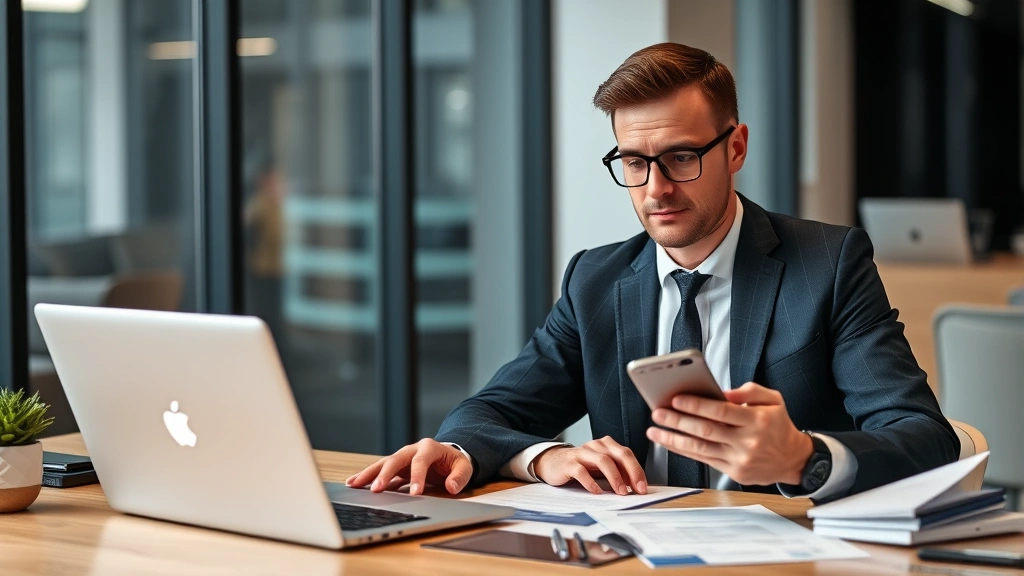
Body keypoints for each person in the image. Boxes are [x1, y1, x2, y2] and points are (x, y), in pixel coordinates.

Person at [347, 42, 959, 502]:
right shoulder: (596, 279)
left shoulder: (827, 265)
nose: (656, 189)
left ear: (736, 148)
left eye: (682, 157)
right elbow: (482, 417)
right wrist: (542, 459)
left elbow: (925, 438)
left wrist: (803, 457)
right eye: (634, 163)